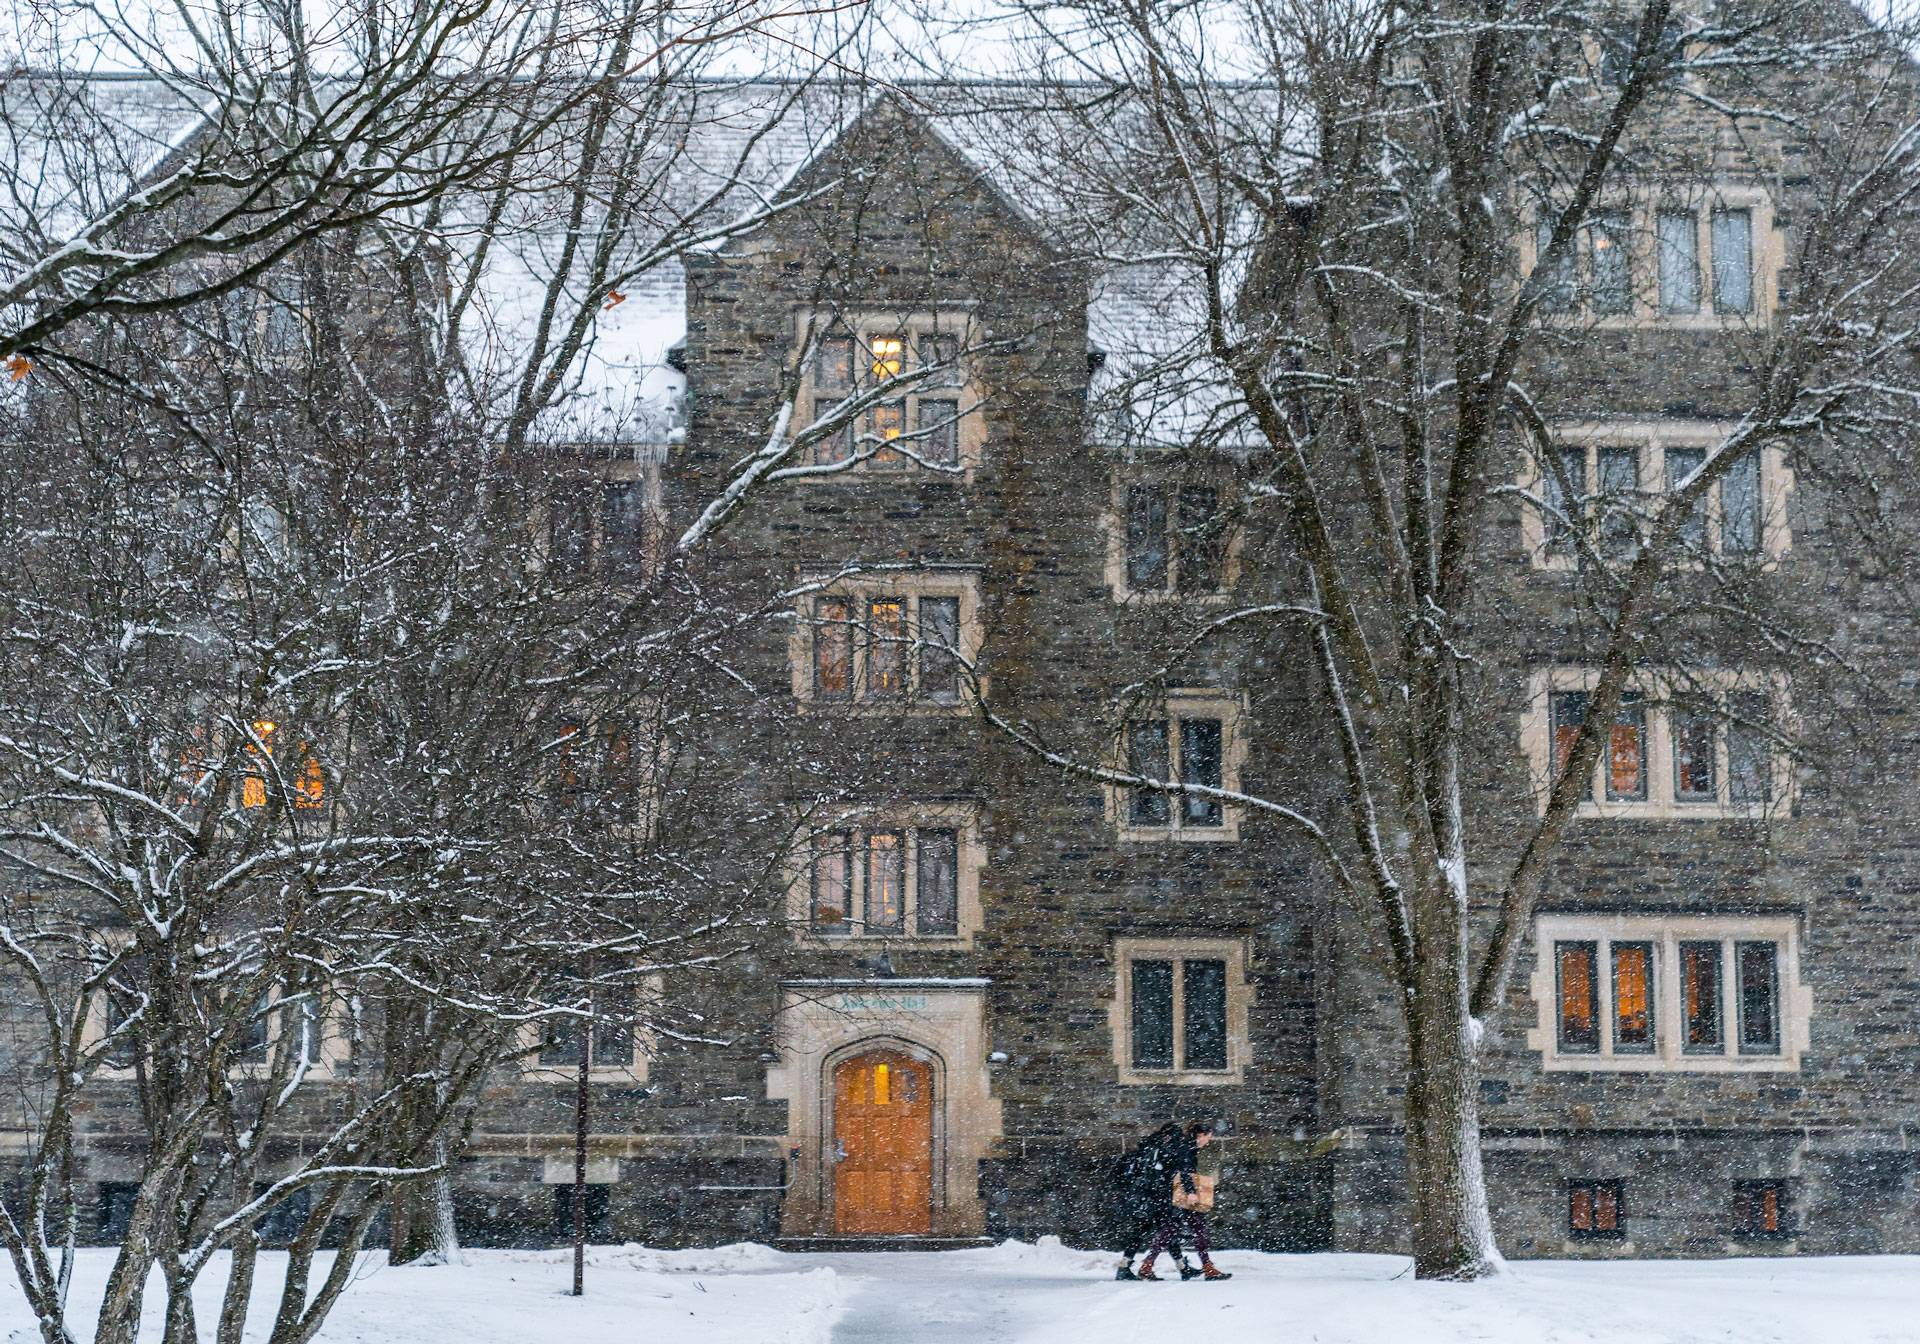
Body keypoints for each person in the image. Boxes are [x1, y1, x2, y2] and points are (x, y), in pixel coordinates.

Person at [1136, 1120, 1232, 1282]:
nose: (1208, 1140)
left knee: (1171, 1230)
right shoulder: (1187, 1148)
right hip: (1180, 1196)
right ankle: (1208, 1268)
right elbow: (1185, 1172)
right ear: (1200, 1135)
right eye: (1208, 1136)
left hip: (1170, 1194)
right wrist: (1191, 1193)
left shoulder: (1184, 1146)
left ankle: (1147, 1265)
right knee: (1195, 1229)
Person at [1110, 1122, 1192, 1281]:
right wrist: (1188, 1191)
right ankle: (1181, 1267)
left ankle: (1124, 1266)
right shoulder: (1168, 1149)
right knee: (1167, 1231)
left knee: (1141, 1232)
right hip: (1159, 1198)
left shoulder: (1148, 1146)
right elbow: (1181, 1171)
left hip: (1143, 1198)